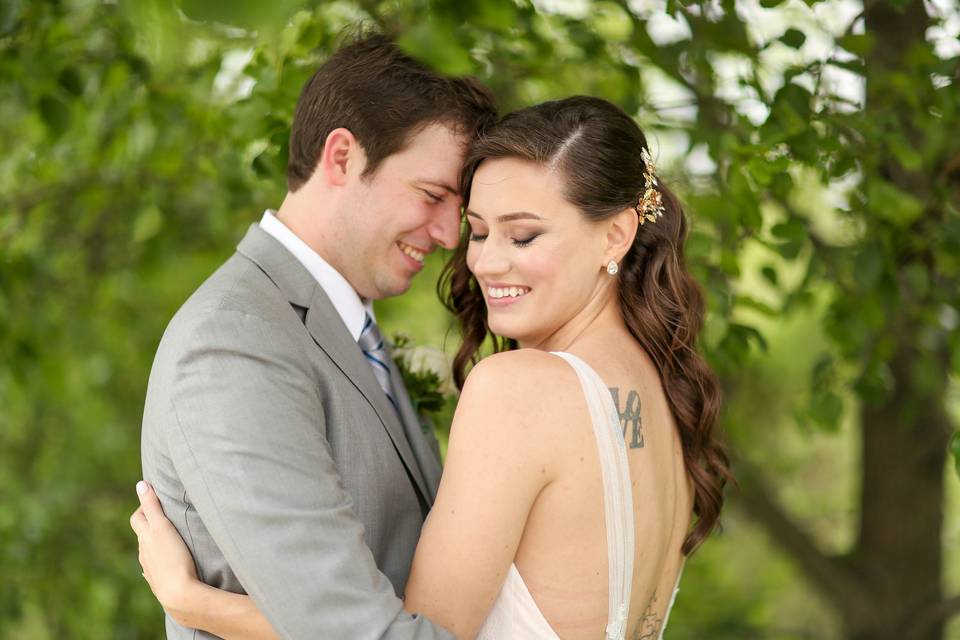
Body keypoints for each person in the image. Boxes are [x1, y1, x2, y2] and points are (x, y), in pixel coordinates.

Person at [132, 96, 732, 639]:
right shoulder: (663, 395)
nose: (487, 262)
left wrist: (196, 603)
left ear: (616, 236)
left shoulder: (520, 390)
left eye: (523, 237)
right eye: (477, 232)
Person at [134, 32, 496, 640]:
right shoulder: (234, 342)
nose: (448, 235)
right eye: (433, 196)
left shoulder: (346, 329)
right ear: (341, 158)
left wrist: (196, 603)